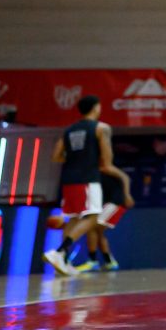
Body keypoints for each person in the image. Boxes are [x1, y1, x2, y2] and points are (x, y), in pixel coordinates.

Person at [44, 94, 126, 278]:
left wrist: (75, 158)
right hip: (88, 178)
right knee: (93, 217)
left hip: (68, 179)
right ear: (96, 108)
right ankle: (60, 252)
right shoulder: (101, 128)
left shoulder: (69, 130)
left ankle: (64, 261)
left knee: (74, 218)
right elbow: (107, 161)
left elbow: (56, 157)